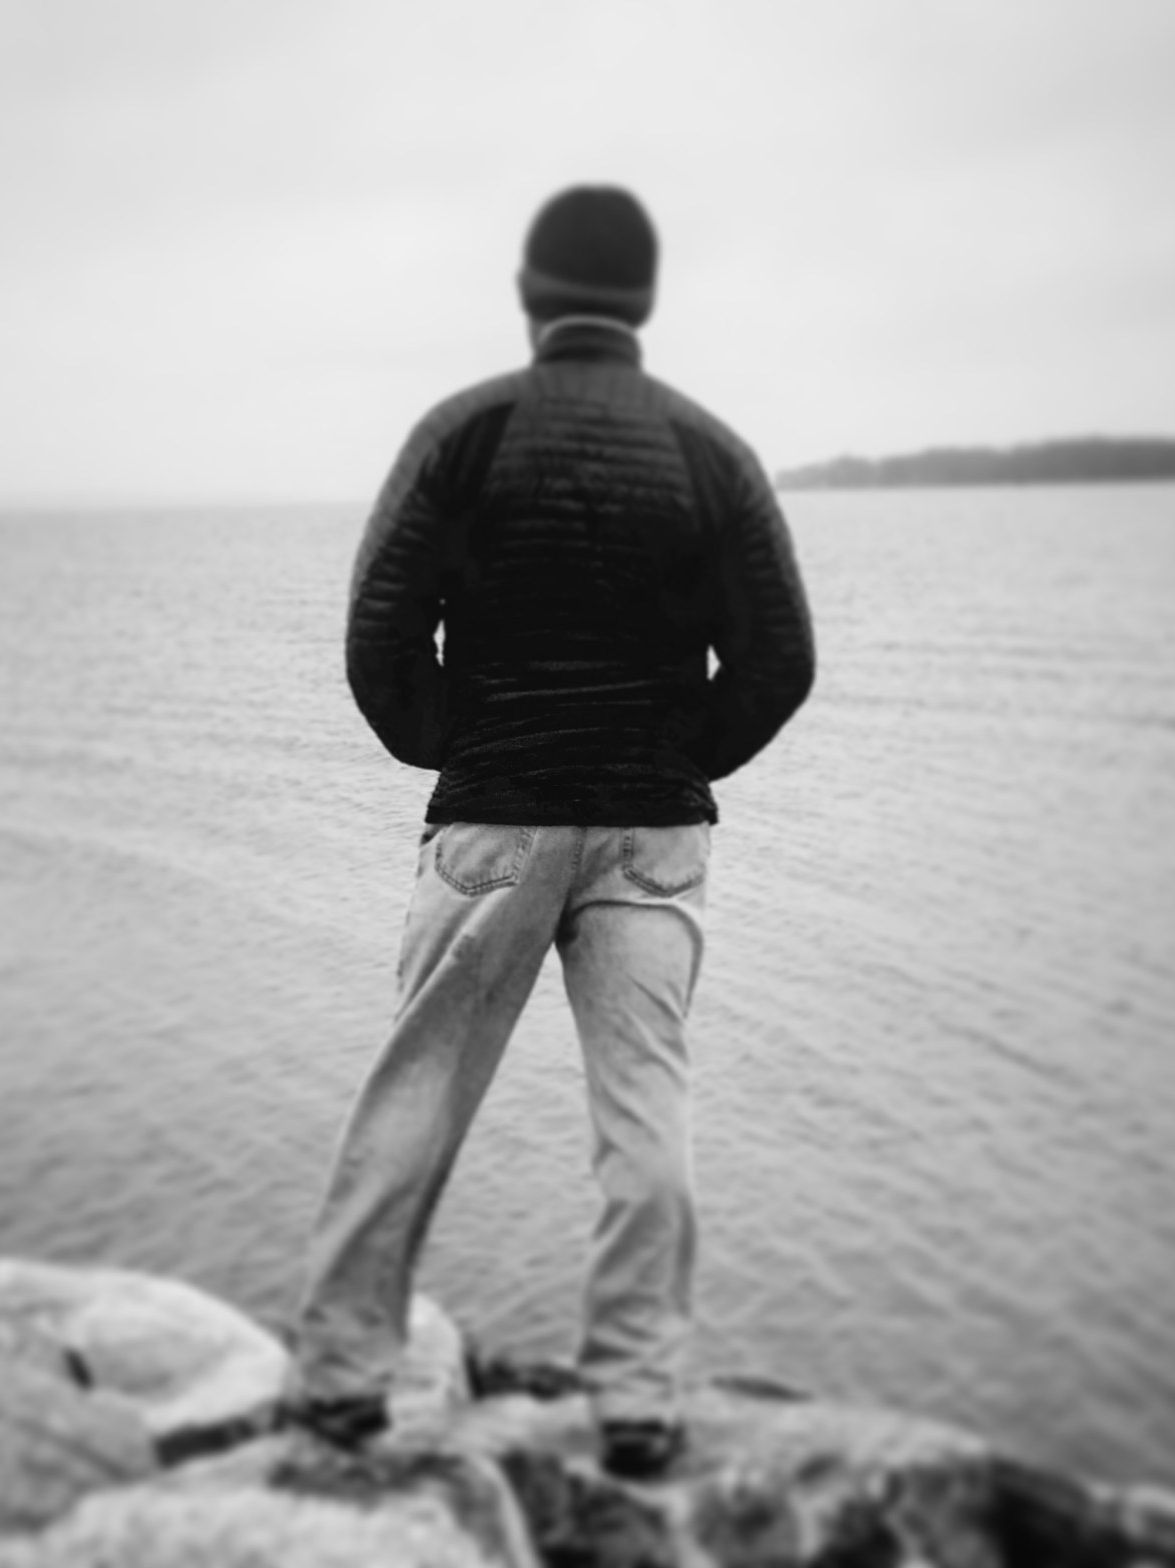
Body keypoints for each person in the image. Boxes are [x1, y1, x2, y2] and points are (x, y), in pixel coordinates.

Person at [291, 185, 816, 1478]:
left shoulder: (464, 432)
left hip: (497, 816)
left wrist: (465, 744)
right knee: (646, 1110)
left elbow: (377, 638)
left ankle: (343, 1383)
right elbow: (780, 660)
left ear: (530, 294)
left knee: (417, 1095)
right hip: (651, 831)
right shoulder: (710, 450)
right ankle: (637, 1400)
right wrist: (678, 754)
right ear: (645, 301)